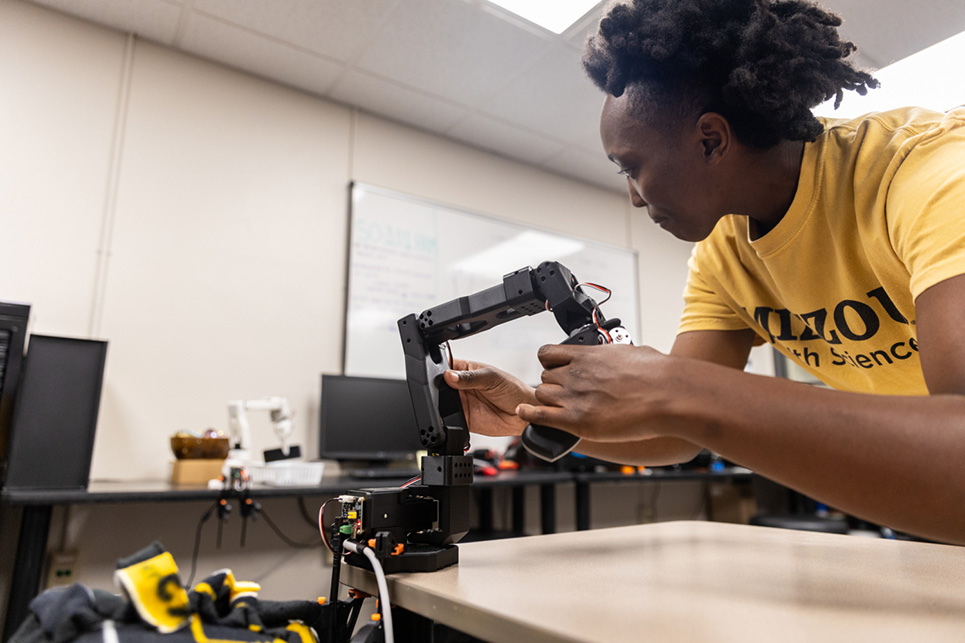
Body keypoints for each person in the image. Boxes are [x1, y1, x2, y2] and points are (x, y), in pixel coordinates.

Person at [443, 0, 965, 545]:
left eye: (632, 167)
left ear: (710, 139)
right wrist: (532, 412)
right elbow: (676, 435)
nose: (633, 198)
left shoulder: (931, 178)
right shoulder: (725, 252)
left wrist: (672, 385)